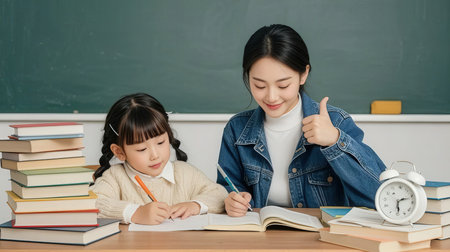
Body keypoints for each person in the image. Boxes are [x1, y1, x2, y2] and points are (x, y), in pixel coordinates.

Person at [217, 24, 386, 217]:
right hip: (260, 239)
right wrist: (232, 201)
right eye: (259, 85)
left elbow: (378, 195)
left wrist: (335, 141)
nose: (271, 97)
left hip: (322, 239)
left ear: (303, 74)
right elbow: (229, 187)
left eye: (283, 85)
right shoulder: (236, 129)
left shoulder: (336, 122)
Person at [91, 93, 228, 224]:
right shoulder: (115, 177)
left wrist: (195, 205)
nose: (155, 155)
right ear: (119, 152)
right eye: (142, 149)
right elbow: (92, 204)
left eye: (161, 143)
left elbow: (220, 195)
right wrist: (136, 213)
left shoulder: (185, 173)